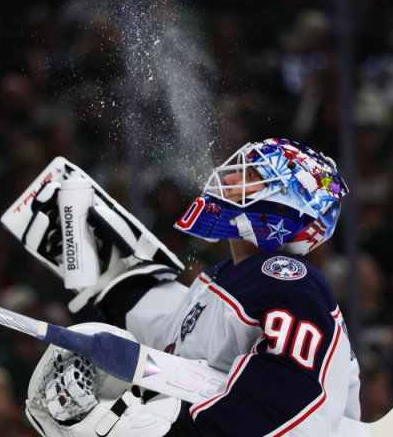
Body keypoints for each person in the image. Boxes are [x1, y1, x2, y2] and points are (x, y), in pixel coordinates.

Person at [18, 138, 360, 436]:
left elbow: (289, 397)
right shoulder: (230, 277)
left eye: (253, 176)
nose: (230, 178)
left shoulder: (288, 281)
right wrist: (117, 282)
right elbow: (175, 339)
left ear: (282, 211)